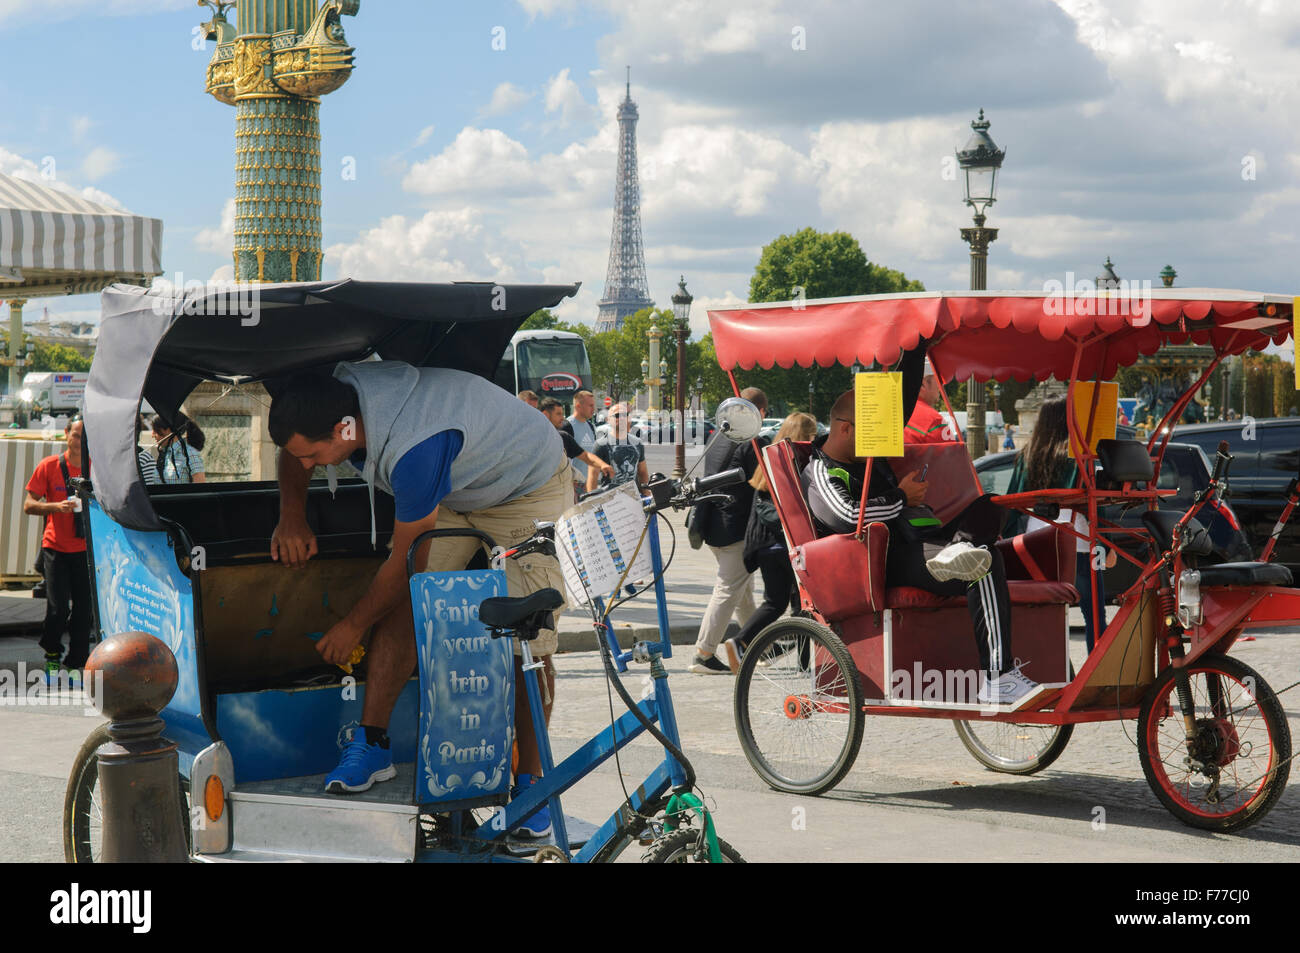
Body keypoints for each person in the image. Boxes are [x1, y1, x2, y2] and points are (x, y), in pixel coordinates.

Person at [267, 362, 571, 837]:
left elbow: (406, 565)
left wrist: (352, 627)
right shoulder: (328, 403)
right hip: (458, 484)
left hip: (525, 487)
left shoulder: (417, 449)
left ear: (345, 429)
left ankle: (531, 784)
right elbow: (295, 447)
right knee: (408, 608)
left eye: (315, 456)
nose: (308, 465)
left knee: (528, 637)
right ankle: (372, 747)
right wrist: (291, 516)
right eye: (303, 458)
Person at [802, 349, 1040, 707]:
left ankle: (958, 550)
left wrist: (915, 346)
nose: (878, 438)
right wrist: (902, 497)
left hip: (927, 537)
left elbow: (903, 399)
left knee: (989, 505)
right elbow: (848, 517)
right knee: (985, 561)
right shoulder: (820, 470)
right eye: (869, 431)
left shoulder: (870, 455)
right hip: (888, 557)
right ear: (844, 428)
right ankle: (999, 677)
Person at [1006, 396, 1114, 653]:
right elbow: (1094, 506)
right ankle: (1096, 677)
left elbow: (1013, 502)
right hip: (1079, 540)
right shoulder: (1080, 457)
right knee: (1095, 618)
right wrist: (1108, 545)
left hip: (1038, 540)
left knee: (1048, 617)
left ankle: (1059, 675)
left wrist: (1008, 542)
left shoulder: (1027, 456)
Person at [719, 412, 818, 673]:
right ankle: (806, 664)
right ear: (804, 437)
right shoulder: (799, 462)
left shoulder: (769, 459)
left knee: (774, 602)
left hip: (764, 545)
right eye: (812, 435)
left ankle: (740, 640)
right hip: (788, 544)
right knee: (801, 607)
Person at [688, 386, 769, 675]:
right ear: (758, 411)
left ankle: (760, 646)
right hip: (734, 527)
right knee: (728, 589)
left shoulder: (720, 436)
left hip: (713, 523)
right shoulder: (748, 441)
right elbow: (763, 482)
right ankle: (703, 653)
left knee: (742, 590)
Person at [23, 416, 92, 682]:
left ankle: (77, 663)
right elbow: (29, 505)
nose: (79, 442)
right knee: (58, 608)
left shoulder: (94, 468)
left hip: (85, 549)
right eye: (76, 435)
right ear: (66, 434)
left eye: (84, 438)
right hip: (56, 548)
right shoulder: (49, 466)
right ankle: (52, 655)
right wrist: (56, 506)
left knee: (85, 611)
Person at [539, 396, 613, 489]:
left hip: (566, 490)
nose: (562, 418)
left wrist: (603, 465)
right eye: (558, 414)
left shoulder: (564, 437)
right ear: (545, 414)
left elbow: (586, 456)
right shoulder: (531, 437)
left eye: (562, 414)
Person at [585, 402, 647, 494]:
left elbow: (642, 472)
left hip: (633, 499)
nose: (622, 418)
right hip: (610, 502)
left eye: (624, 415)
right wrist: (592, 502)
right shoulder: (601, 445)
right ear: (609, 420)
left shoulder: (637, 443)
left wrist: (646, 495)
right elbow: (593, 476)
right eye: (617, 415)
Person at [904, 358, 957, 445]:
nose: (941, 385)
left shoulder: (891, 412)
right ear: (923, 385)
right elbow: (953, 457)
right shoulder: (933, 420)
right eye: (938, 380)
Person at [561, 390, 599, 497]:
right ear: (578, 406)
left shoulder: (591, 427)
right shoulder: (567, 426)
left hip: (589, 486)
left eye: (594, 405)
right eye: (590, 406)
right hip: (572, 487)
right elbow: (564, 461)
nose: (593, 409)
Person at [152, 412, 207, 484]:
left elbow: (200, 487)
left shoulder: (190, 454)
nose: (152, 435)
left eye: (156, 430)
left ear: (168, 430)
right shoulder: (163, 454)